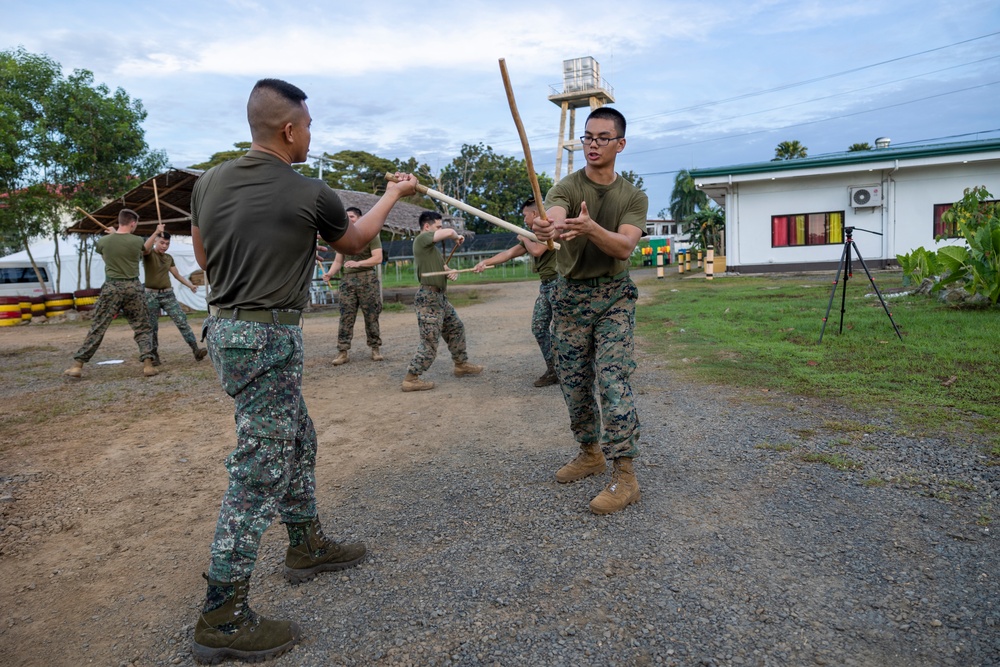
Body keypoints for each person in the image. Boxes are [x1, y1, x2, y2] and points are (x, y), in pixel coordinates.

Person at [189, 77, 417, 664]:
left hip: (229, 329)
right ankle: (222, 615)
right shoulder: (307, 189)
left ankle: (306, 544)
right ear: (288, 130)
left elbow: (203, 255)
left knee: (298, 437)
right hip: (266, 335)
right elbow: (358, 237)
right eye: (308, 126)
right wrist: (393, 192)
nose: (311, 135)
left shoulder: (208, 181)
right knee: (258, 467)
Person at [532, 107, 648, 516]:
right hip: (570, 298)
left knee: (612, 379)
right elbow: (556, 215)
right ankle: (589, 453)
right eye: (587, 137)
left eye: (602, 137)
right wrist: (549, 227)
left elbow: (624, 247)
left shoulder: (633, 196)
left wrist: (591, 228)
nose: (593, 144)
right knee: (574, 382)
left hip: (614, 297)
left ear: (620, 143)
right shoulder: (566, 185)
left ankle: (626, 476)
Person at [63, 210, 158, 379]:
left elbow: (111, 248)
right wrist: (156, 232)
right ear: (133, 223)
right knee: (142, 326)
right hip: (133, 287)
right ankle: (148, 365)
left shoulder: (103, 241)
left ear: (119, 221)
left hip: (112, 287)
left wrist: (114, 235)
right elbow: (144, 250)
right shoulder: (137, 241)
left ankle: (77, 366)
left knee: (98, 326)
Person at [472, 198, 558, 387]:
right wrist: (485, 263)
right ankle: (555, 370)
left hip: (561, 285)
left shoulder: (551, 229)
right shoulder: (532, 235)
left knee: (564, 331)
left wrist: (525, 237)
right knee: (539, 327)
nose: (524, 220)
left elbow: (536, 251)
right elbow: (510, 253)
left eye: (525, 216)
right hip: (546, 286)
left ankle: (575, 371)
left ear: (534, 214)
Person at [402, 210, 483, 392]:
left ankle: (460, 364)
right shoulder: (421, 240)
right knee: (429, 340)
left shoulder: (432, 250)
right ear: (427, 226)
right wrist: (456, 236)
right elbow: (448, 233)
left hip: (439, 298)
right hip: (428, 298)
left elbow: (443, 267)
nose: (441, 229)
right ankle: (411, 378)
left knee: (455, 327)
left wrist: (449, 271)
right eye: (438, 226)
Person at [322, 206, 385, 365]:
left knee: (371, 315)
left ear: (360, 218)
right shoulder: (343, 237)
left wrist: (358, 263)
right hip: (348, 282)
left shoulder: (371, 235)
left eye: (352, 217)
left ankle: (375, 349)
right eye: (346, 217)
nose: (348, 219)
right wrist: (330, 273)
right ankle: (343, 352)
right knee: (346, 316)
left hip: (367, 280)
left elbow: (377, 258)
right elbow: (338, 261)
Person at [142, 230, 207, 365]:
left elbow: (177, 275)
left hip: (168, 294)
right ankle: (154, 356)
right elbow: (144, 249)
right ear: (155, 241)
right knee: (152, 327)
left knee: (181, 321)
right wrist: (156, 232)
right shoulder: (148, 254)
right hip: (151, 295)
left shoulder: (168, 258)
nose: (164, 246)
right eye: (161, 243)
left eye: (167, 243)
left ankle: (196, 350)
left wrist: (190, 285)